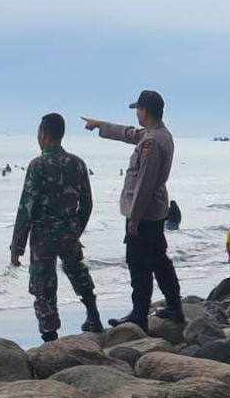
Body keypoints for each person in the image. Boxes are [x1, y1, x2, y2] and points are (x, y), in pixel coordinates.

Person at [82, 90, 182, 330]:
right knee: (159, 262)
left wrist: (134, 219)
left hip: (144, 214)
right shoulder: (159, 135)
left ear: (145, 111)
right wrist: (101, 126)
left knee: (139, 264)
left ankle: (139, 315)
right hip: (155, 211)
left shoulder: (152, 142)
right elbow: (130, 133)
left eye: (138, 109)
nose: (137, 113)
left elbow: (144, 184)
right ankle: (175, 308)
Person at [10, 112, 102, 340]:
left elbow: (26, 208)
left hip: (43, 236)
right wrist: (76, 229)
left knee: (43, 286)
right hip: (69, 231)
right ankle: (93, 317)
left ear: (43, 134)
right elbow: (87, 202)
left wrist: (16, 247)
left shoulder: (38, 165)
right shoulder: (77, 163)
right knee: (77, 270)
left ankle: (50, 336)